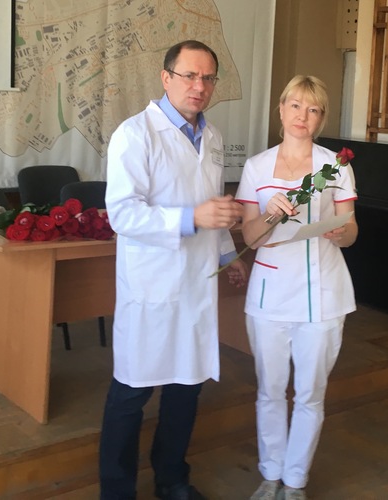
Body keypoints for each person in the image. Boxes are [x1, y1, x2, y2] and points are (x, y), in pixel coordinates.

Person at [100, 40, 247, 500]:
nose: (199, 86)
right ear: (166, 78)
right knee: (132, 393)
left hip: (197, 285)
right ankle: (117, 492)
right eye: (189, 75)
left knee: (187, 387)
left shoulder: (213, 137)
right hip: (153, 285)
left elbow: (214, 206)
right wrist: (190, 218)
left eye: (208, 78)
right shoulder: (135, 134)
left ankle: (172, 479)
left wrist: (227, 254)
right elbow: (123, 214)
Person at [234, 75, 358, 500]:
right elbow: (250, 239)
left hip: (322, 294)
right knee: (270, 389)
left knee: (310, 393)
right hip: (269, 293)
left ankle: (295, 481)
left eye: (313, 109)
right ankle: (270, 473)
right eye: (295, 105)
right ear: (281, 108)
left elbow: (351, 229)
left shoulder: (335, 166)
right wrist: (269, 215)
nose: (303, 115)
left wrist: (340, 233)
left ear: (321, 117)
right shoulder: (256, 167)